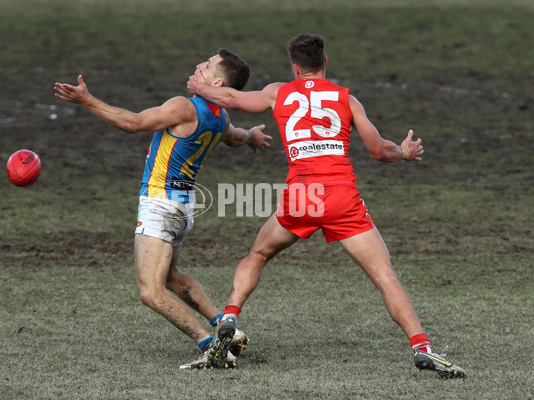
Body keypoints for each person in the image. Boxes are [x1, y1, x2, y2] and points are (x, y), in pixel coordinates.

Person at [187, 34, 466, 378]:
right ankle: (422, 348)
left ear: (294, 67)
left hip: (302, 196)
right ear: (325, 63)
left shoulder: (279, 92)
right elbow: (379, 150)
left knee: (258, 255)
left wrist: (200, 89)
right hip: (341, 197)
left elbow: (231, 97)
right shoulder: (348, 100)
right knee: (384, 276)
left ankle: (230, 316)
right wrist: (405, 152)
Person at [54, 49, 273, 370]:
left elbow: (133, 123)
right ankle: (228, 329)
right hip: (183, 209)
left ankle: (211, 346)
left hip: (159, 205)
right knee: (171, 277)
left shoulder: (185, 107)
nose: (199, 65)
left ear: (216, 81)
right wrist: (252, 135)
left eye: (207, 65)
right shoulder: (220, 116)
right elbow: (235, 137)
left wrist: (87, 101)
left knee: (150, 291)